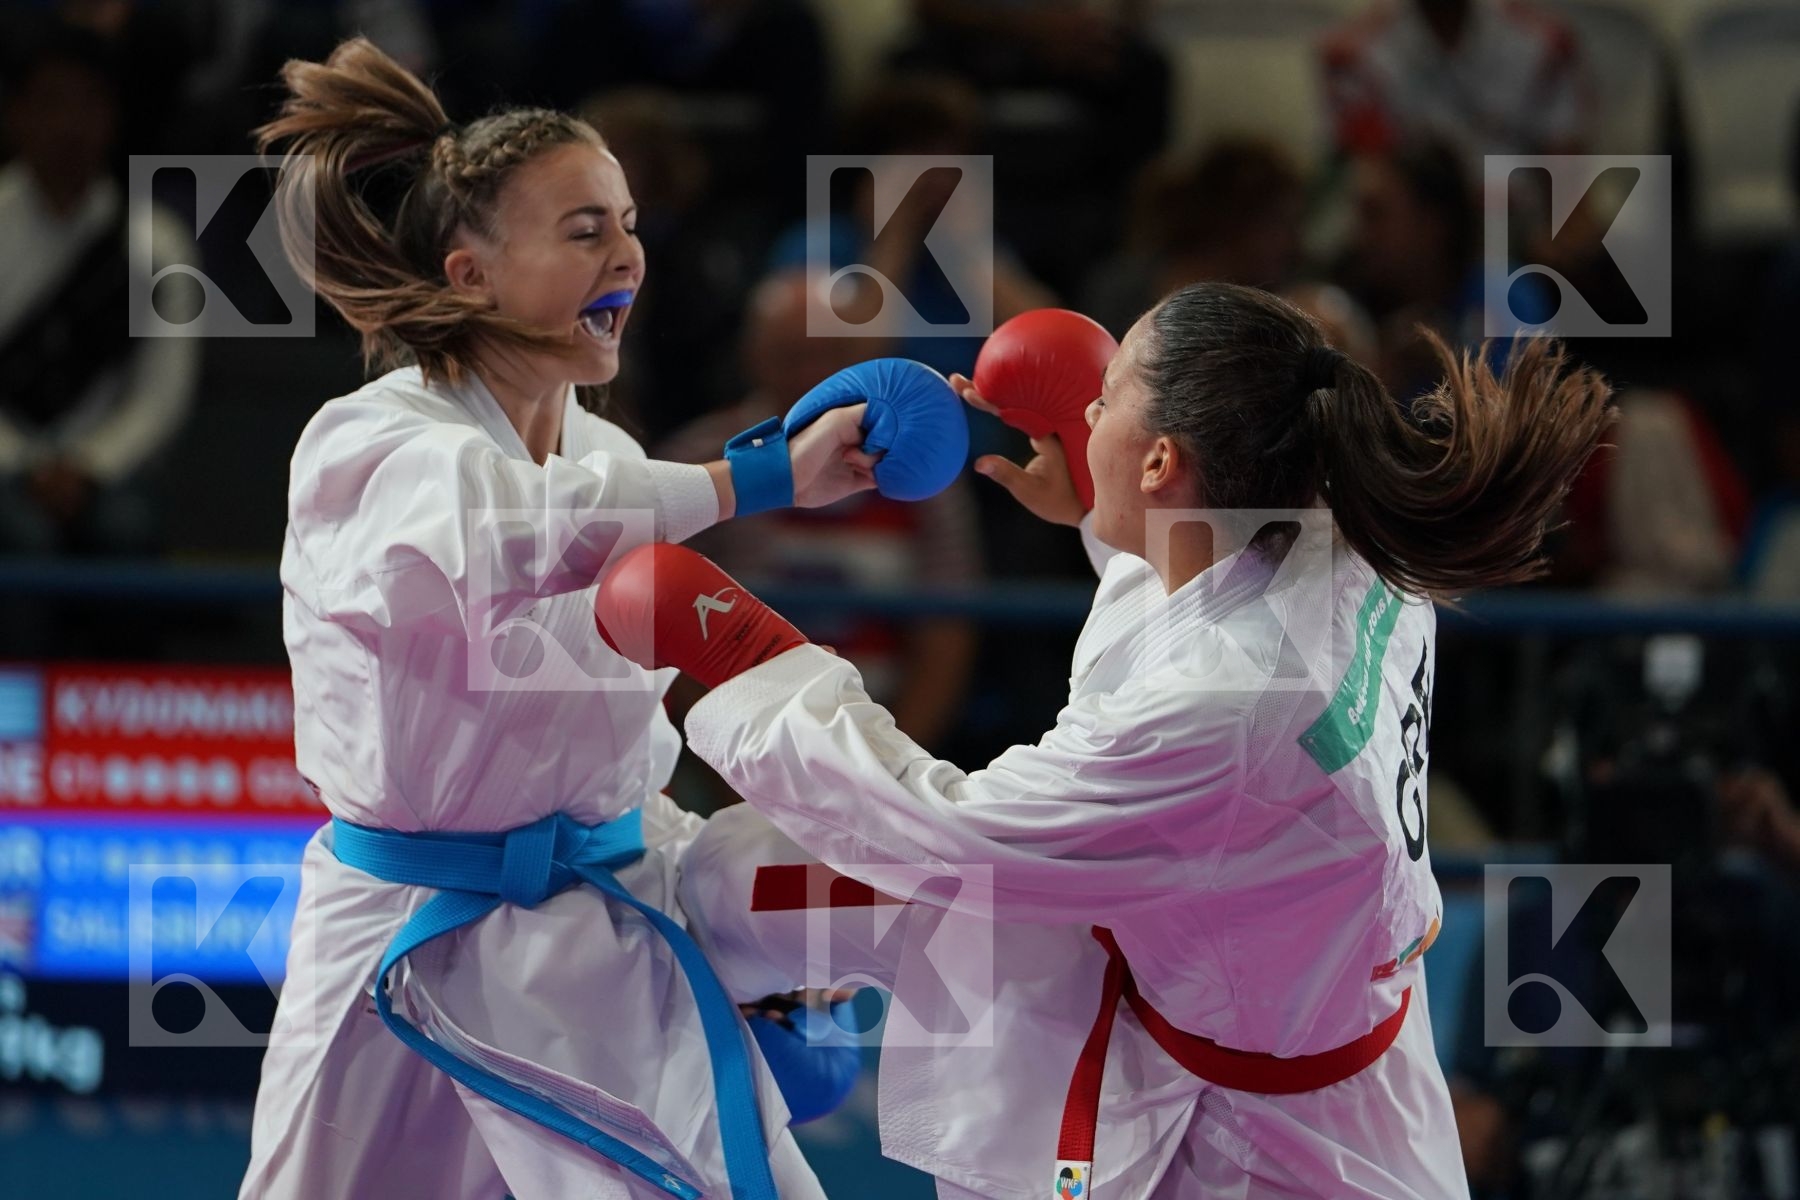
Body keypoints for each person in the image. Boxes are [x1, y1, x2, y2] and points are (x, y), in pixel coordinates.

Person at [597, 281, 1616, 1198]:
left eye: (1108, 395)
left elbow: (953, 837)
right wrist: (1102, 501)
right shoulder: (1350, 527)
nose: (1084, 410)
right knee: (769, 872)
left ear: (1166, 461)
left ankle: (673, 995)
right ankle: (739, 991)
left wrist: (755, 658)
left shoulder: (1231, 703)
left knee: (823, 873)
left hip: (1265, 1142)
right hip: (1278, 1011)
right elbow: (1211, 593)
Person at [242, 36, 887, 1200]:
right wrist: (759, 477)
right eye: (585, 230)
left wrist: (764, 955)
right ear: (472, 274)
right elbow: (520, 529)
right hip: (402, 928)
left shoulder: (608, 451)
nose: (627, 253)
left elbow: (613, 737)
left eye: (628, 225)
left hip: (602, 920)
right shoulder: (371, 444)